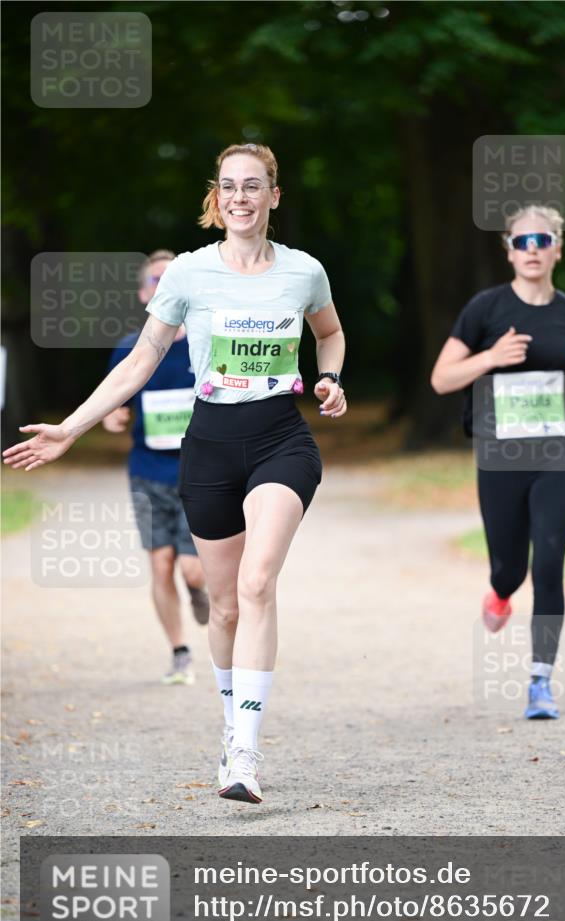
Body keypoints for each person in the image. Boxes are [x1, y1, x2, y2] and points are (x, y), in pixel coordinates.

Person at [3, 142, 346, 803]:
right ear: (216, 200)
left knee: (256, 582)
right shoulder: (188, 274)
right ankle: (229, 724)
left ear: (274, 196)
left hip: (281, 438)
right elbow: (137, 361)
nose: (240, 197)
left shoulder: (304, 272)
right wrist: (70, 428)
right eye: (228, 187)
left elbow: (328, 333)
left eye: (253, 186)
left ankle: (244, 752)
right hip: (209, 445)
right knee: (220, 605)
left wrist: (329, 377)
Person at [431, 204, 565, 720]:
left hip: (562, 454)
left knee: (550, 561)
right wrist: (490, 358)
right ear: (508, 250)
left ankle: (540, 681)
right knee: (510, 567)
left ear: (558, 247)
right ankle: (499, 592)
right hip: (502, 457)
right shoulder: (485, 309)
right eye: (522, 241)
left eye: (542, 240)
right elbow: (442, 379)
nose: (532, 249)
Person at [103, 248, 210, 687]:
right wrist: (113, 417)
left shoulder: (205, 341)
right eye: (153, 281)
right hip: (147, 472)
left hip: (199, 471)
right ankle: (180, 651)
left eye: (168, 280)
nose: (160, 287)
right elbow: (113, 402)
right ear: (143, 293)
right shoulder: (131, 347)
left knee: (191, 568)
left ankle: (199, 590)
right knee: (161, 563)